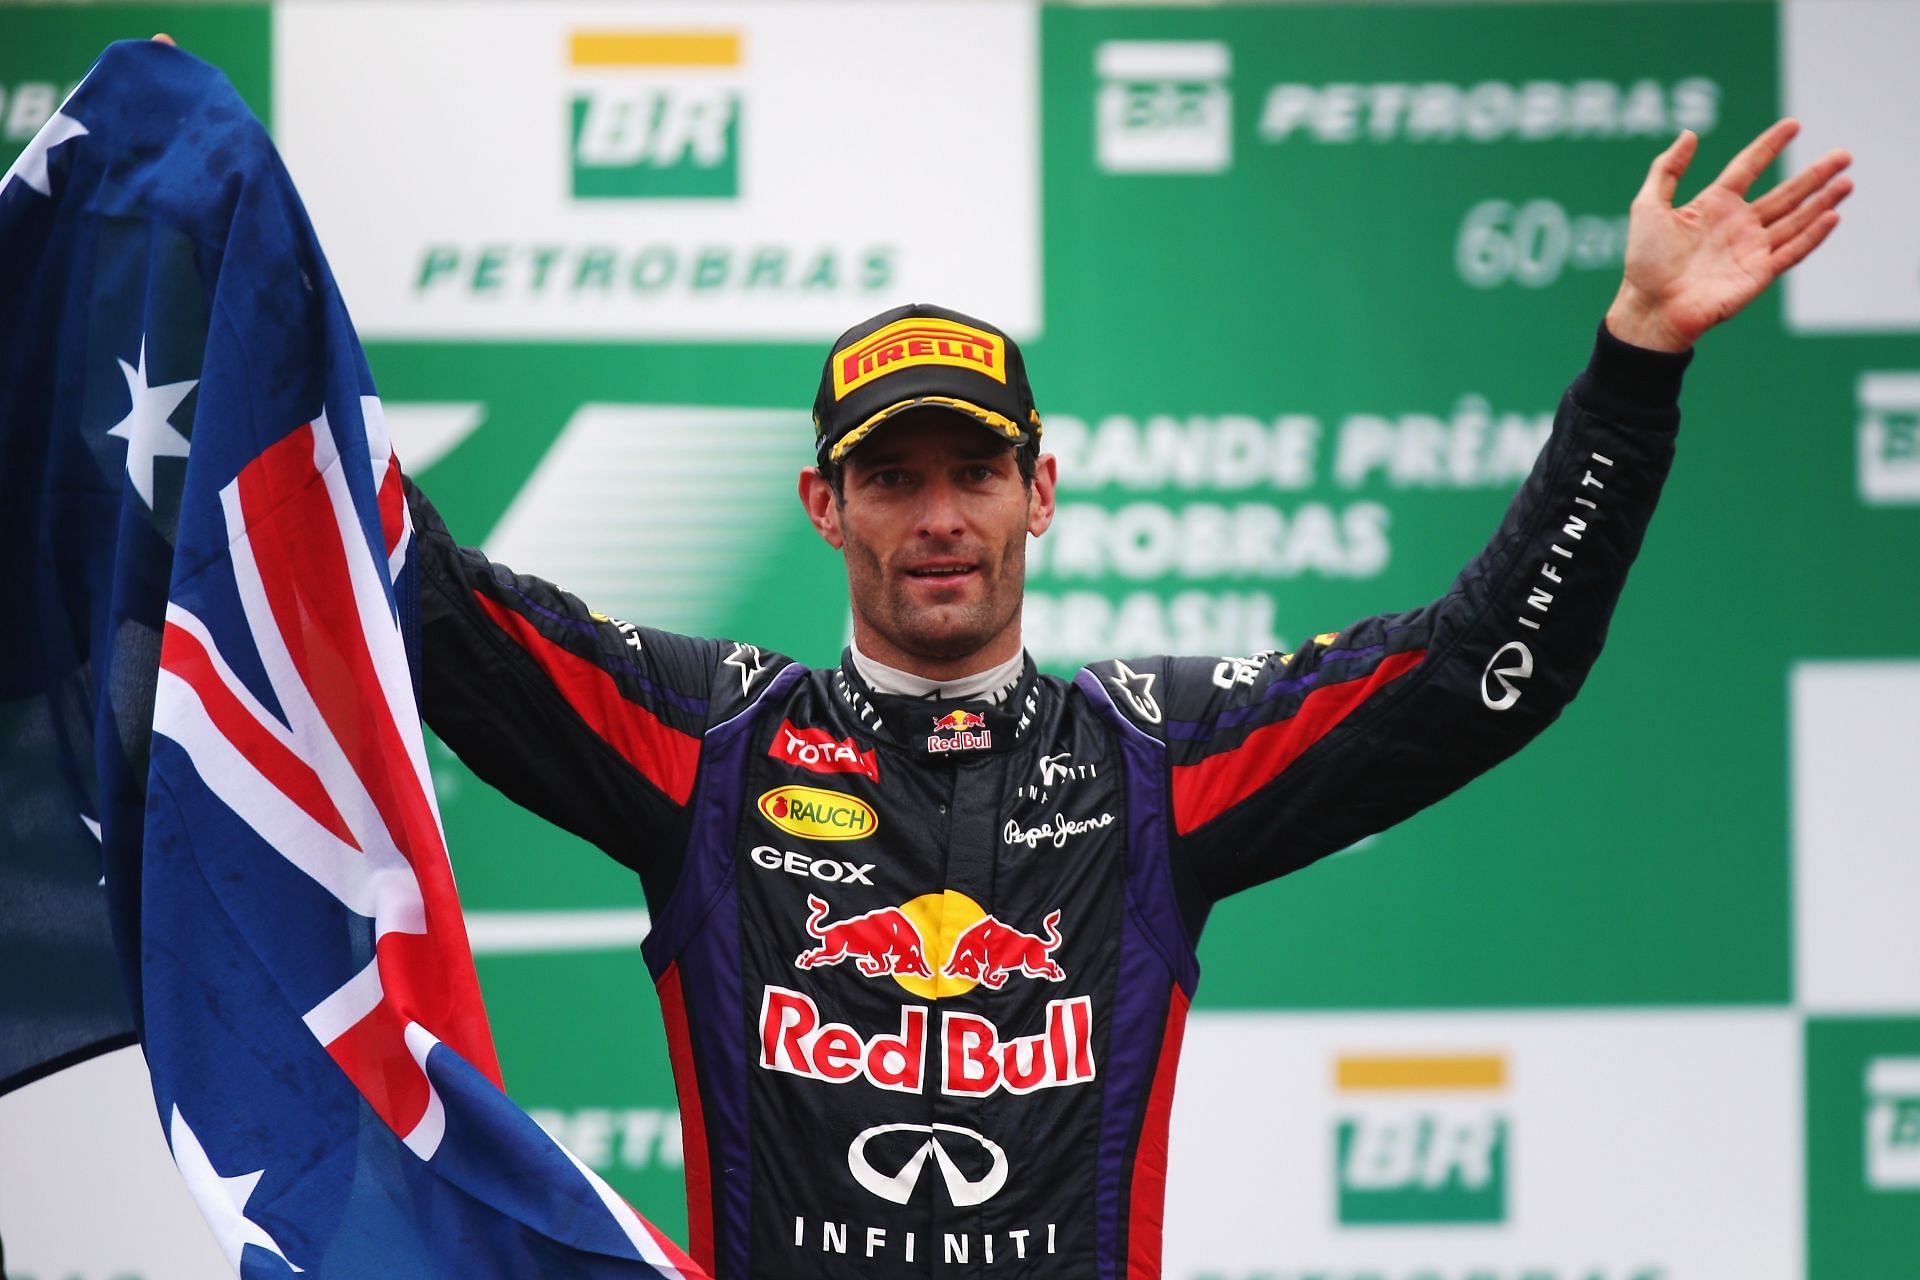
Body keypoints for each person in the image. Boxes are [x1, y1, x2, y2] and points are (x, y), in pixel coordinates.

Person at [405, 122, 1849, 1278]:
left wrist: (1638, 363)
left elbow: (1482, 677)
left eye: (974, 472)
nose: (939, 518)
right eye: (893, 479)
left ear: (1041, 492)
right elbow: (424, 607)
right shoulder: (714, 742)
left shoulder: (1151, 755)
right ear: (822, 505)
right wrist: (234, 280)